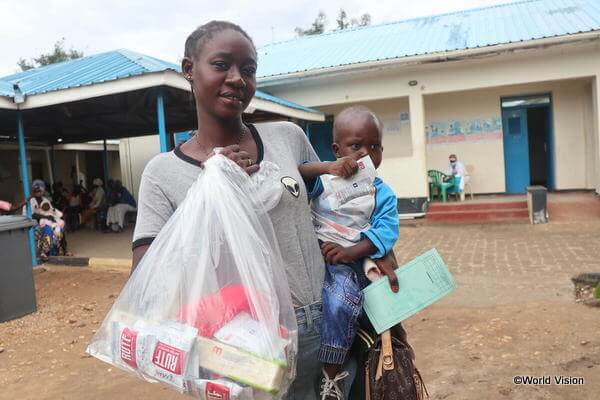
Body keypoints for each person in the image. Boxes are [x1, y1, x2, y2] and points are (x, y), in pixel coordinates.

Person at [130, 21, 398, 400]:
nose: (237, 79)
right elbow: (148, 277)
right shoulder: (163, 173)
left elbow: (344, 206)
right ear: (189, 69)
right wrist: (217, 188)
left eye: (249, 69)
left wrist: (380, 249)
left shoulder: (287, 137)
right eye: (222, 64)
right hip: (246, 342)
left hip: (328, 324)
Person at [298, 106, 399, 399]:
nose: (366, 154)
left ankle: (331, 376)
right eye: (356, 146)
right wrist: (328, 167)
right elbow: (301, 171)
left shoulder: (381, 192)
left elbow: (385, 230)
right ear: (337, 149)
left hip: (349, 262)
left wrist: (350, 252)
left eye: (374, 147)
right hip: (316, 256)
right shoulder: (324, 182)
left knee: (342, 302)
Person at [25, 180, 69, 261]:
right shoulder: (31, 200)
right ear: (33, 191)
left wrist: (57, 217)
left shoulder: (45, 199)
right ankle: (44, 253)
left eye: (40, 190)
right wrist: (46, 217)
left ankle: (64, 250)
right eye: (36, 191)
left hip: (47, 222)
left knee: (61, 230)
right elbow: (32, 214)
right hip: (35, 224)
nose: (38, 192)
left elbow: (51, 210)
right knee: (48, 231)